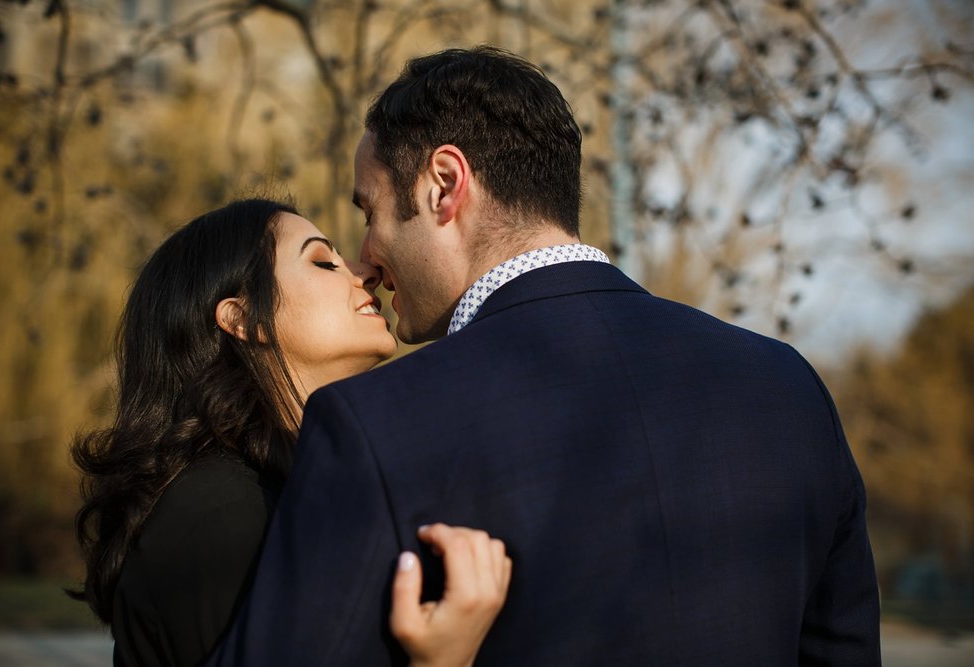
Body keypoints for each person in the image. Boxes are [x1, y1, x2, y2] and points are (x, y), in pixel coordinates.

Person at [206, 46, 881, 665]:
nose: (367, 260)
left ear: (444, 184)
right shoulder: (787, 387)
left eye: (369, 211)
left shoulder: (373, 425)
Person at [70, 199, 512, 667]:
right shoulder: (222, 512)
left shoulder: (284, 488)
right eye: (323, 261)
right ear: (243, 319)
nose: (367, 272)